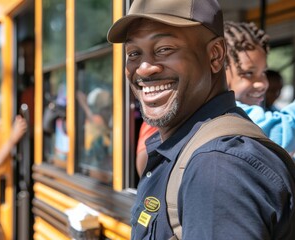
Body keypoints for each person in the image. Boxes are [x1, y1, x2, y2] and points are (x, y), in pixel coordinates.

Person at [107, 0, 295, 239]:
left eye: (164, 48)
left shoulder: (219, 168)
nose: (143, 68)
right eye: (133, 53)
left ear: (215, 56)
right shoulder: (188, 147)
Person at [224, 21, 295, 153]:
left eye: (263, 72)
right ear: (219, 71)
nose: (262, 83)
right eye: (248, 73)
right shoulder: (229, 113)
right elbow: (281, 131)